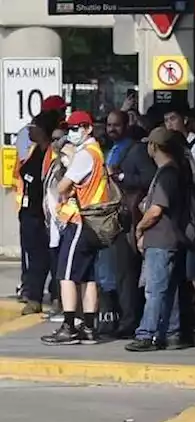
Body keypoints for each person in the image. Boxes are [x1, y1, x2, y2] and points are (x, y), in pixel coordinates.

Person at [42, 110, 109, 345]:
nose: (72, 133)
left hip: (79, 222)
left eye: (76, 127)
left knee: (67, 275)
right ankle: (89, 327)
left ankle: (69, 326)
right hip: (93, 223)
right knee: (88, 277)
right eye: (69, 128)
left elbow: (62, 187)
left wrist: (68, 163)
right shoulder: (97, 152)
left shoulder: (84, 155)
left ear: (88, 129)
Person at [124, 127, 191, 352]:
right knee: (168, 289)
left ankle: (146, 334)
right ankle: (172, 333)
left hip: (161, 239)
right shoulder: (173, 171)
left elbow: (155, 210)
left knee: (154, 290)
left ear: (154, 147)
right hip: (170, 239)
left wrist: (140, 229)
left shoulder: (167, 174)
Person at [106, 108, 157, 339]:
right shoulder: (112, 151)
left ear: (127, 126)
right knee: (119, 273)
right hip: (115, 218)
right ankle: (122, 317)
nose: (111, 129)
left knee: (128, 274)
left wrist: (122, 178)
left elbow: (149, 178)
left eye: (116, 125)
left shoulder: (135, 151)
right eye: (109, 125)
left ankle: (129, 321)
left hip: (131, 219)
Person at [17, 112, 59, 315]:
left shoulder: (51, 153)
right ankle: (35, 296)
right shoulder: (34, 151)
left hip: (45, 216)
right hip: (29, 213)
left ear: (43, 130)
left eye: (34, 126)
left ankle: (52, 297)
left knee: (49, 258)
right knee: (35, 259)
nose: (30, 129)